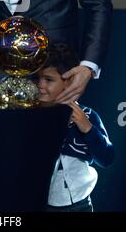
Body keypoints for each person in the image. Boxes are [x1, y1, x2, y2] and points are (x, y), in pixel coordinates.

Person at [32, 43, 114, 212]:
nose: (40, 85)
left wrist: (88, 128)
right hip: (43, 204)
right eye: (37, 78)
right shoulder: (29, 116)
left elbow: (106, 158)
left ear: (70, 82)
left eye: (48, 79)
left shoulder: (88, 116)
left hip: (81, 204)